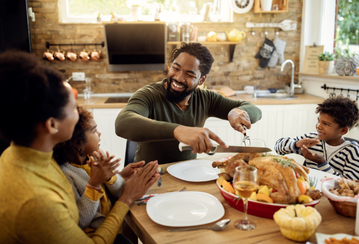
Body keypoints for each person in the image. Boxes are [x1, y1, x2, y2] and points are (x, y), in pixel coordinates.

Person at [0, 51, 160, 244]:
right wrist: (126, 198)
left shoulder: (17, 152)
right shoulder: (37, 202)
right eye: (73, 107)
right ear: (52, 125)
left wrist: (117, 176)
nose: (79, 114)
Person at [115, 42, 262, 164]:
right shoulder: (149, 95)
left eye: (190, 74)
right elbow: (122, 123)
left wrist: (234, 111)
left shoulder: (206, 98)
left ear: (201, 80)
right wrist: (178, 131)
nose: (178, 78)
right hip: (148, 179)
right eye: (175, 68)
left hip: (187, 175)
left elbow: (255, 111)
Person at [53, 106, 151, 236]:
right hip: (93, 233)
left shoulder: (97, 156)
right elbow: (81, 220)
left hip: (111, 221)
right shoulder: (66, 175)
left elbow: (118, 190)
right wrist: (94, 184)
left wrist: (112, 177)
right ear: (77, 144)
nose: (99, 133)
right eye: (94, 131)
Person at [275, 96, 359, 180]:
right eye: (318, 120)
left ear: (343, 130)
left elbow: (350, 185)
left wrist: (322, 163)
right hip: (307, 189)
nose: (318, 126)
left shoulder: (352, 152)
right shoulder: (312, 139)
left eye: (326, 124)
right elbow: (278, 147)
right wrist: (296, 144)